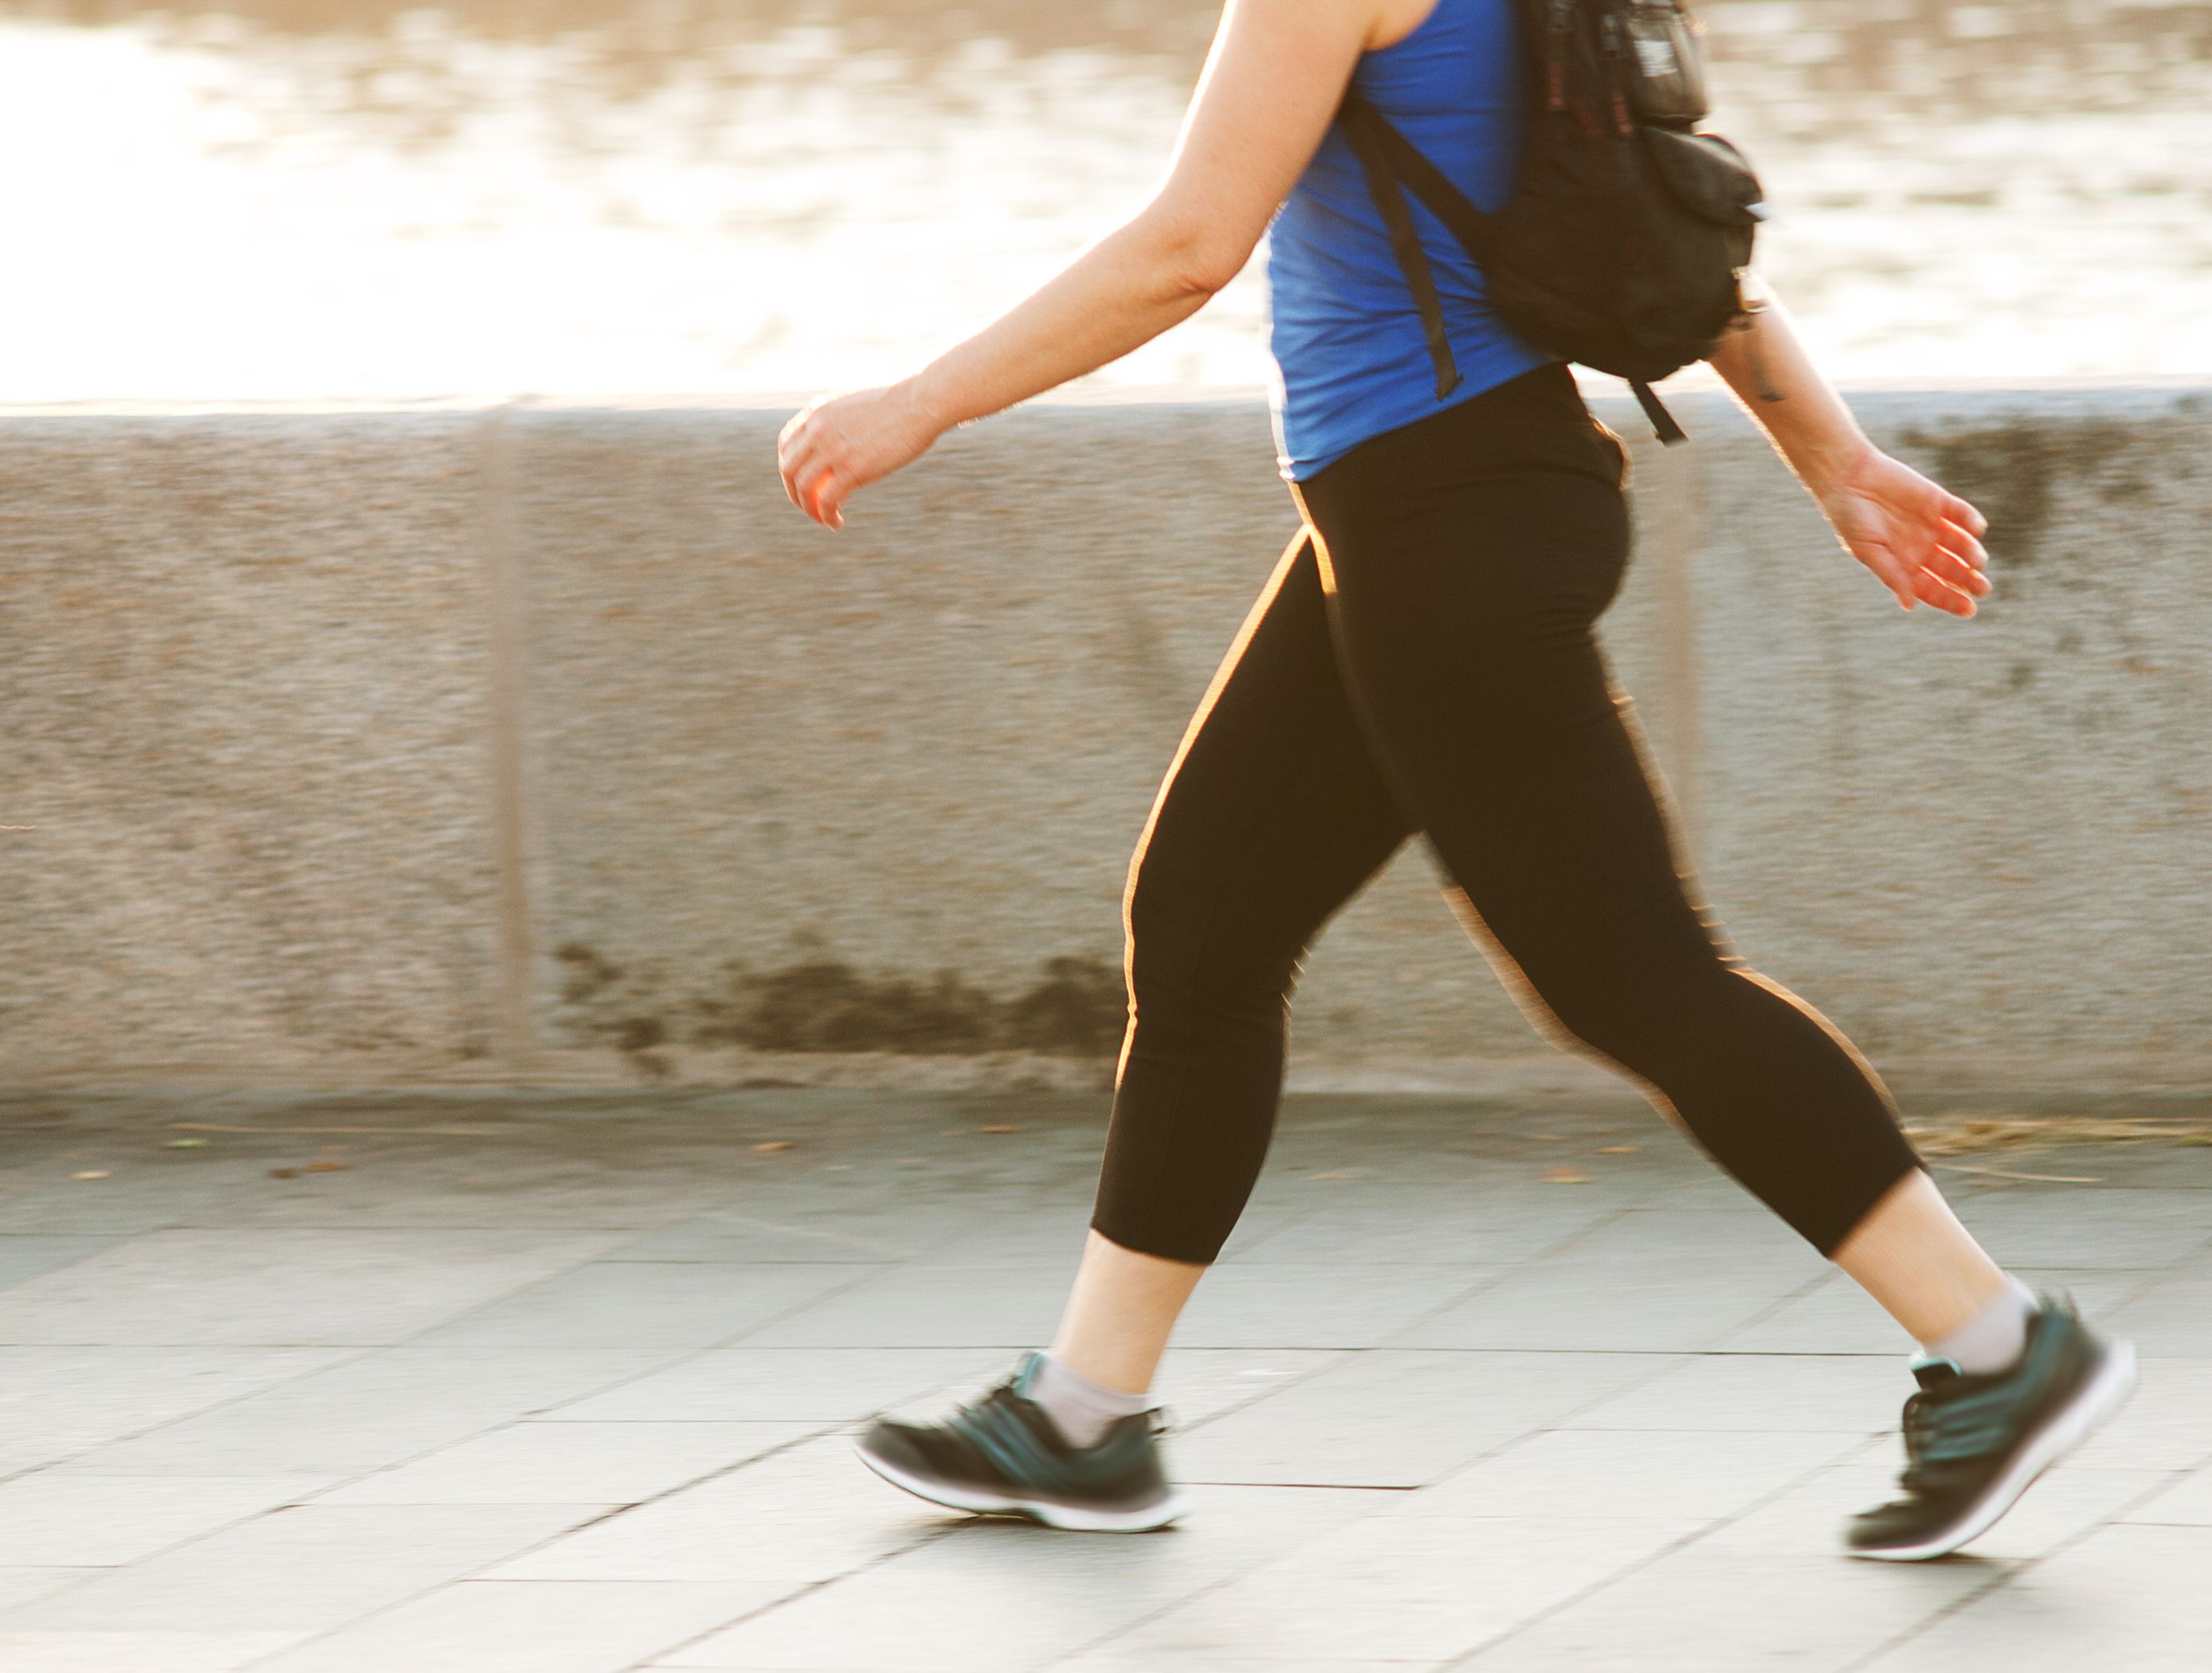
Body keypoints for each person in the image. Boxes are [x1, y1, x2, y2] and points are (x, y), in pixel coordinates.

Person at [775, 0, 2134, 1561]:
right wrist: (1832, 459)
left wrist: (919, 401)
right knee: (1205, 929)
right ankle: (1083, 1417)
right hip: (1458, 504)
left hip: (1444, 533)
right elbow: (1646, 209)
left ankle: (1997, 1345)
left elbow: (1190, 247)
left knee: (1640, 981)